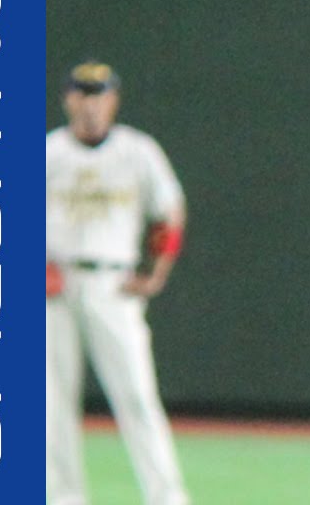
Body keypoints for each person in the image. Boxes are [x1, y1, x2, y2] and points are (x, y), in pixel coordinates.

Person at [45, 61, 190, 505]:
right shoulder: (48, 152)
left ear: (113, 101)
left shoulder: (137, 151)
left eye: (99, 95)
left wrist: (156, 273)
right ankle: (63, 497)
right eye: (82, 94)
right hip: (54, 288)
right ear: (68, 100)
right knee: (51, 403)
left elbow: (169, 211)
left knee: (138, 397)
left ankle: (167, 497)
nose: (90, 104)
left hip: (113, 283)